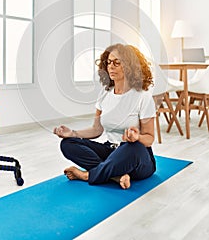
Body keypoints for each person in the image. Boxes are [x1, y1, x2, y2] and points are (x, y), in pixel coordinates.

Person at [53, 43, 156, 189]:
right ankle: (115, 176)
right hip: (110, 153)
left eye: (116, 62)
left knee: (132, 148)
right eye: (108, 62)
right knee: (68, 143)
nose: (111, 66)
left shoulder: (143, 96)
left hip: (136, 157)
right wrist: (72, 133)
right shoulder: (105, 94)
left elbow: (150, 139)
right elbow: (96, 130)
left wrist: (137, 138)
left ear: (129, 66)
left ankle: (87, 175)